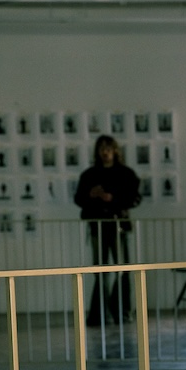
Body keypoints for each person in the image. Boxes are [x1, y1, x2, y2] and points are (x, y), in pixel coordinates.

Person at [73, 134, 141, 325]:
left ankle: (122, 312)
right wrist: (91, 195)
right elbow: (78, 199)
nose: (105, 152)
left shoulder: (125, 174)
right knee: (100, 270)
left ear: (115, 151)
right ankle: (99, 314)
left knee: (122, 268)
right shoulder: (89, 175)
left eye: (108, 149)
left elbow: (135, 198)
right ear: (97, 151)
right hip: (98, 226)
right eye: (102, 149)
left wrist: (114, 199)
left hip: (118, 225)